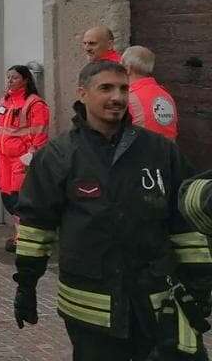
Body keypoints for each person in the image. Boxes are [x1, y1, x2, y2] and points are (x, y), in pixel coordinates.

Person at [13, 60, 212, 360]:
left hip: (156, 304)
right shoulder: (58, 156)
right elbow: (35, 226)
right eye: (105, 88)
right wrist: (26, 284)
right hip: (90, 310)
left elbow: (184, 223)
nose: (117, 97)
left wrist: (200, 284)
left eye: (123, 89)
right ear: (82, 93)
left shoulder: (160, 151)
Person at [0, 65, 50, 253]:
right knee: (8, 198)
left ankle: (24, 237)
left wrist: (32, 154)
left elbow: (40, 132)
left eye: (15, 77)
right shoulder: (5, 101)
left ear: (25, 80)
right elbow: (1, 129)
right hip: (3, 157)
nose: (10, 80)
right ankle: (19, 234)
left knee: (21, 198)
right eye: (8, 77)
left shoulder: (35, 103)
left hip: (21, 158)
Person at [123, 45, 179, 141]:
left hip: (141, 152)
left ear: (128, 68)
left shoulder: (128, 96)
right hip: (169, 152)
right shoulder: (166, 95)